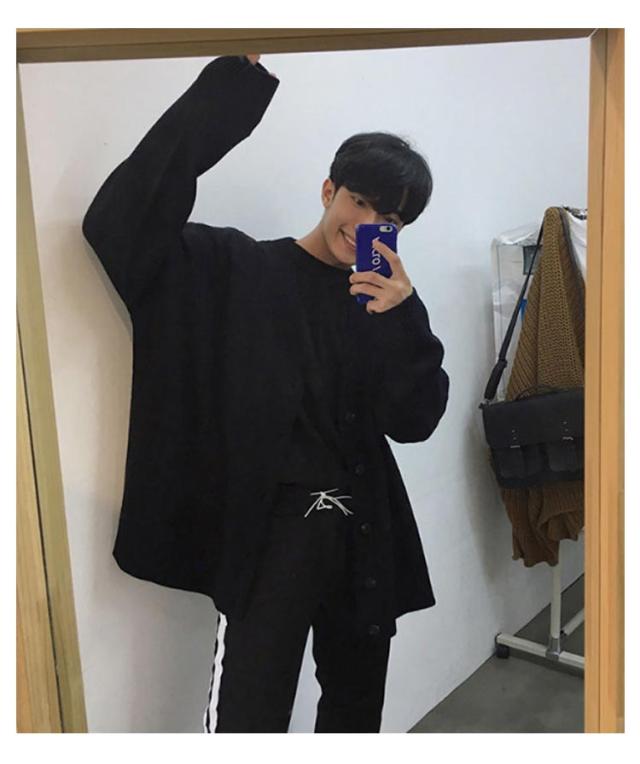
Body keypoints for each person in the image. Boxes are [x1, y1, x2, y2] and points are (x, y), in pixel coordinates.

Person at [82, 53, 449, 733]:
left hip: (365, 531)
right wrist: (233, 88)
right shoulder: (240, 269)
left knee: (355, 713)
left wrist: (402, 318)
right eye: (359, 200)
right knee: (250, 719)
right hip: (272, 540)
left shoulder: (386, 302)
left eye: (389, 218)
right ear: (329, 189)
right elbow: (120, 224)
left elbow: (416, 420)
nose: (367, 222)